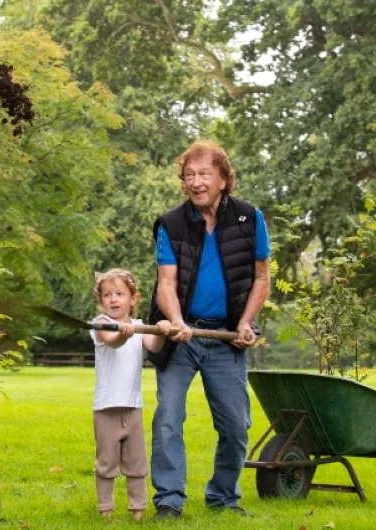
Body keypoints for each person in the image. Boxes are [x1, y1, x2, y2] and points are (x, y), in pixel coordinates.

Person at [146, 140, 270, 519]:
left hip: (226, 339)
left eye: (204, 174)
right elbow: (166, 283)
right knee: (168, 416)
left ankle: (223, 497)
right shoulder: (170, 223)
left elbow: (261, 278)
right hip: (179, 337)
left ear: (223, 179)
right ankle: (169, 499)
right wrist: (177, 322)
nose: (196, 182)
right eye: (189, 175)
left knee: (235, 425)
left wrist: (246, 322)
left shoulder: (251, 219)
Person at [89, 269, 171, 520]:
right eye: (107, 295)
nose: (113, 299)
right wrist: (123, 334)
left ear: (133, 299)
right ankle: (106, 510)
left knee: (136, 463)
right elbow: (112, 341)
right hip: (106, 408)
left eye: (120, 294)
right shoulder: (100, 323)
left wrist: (161, 331)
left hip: (132, 407)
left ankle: (137, 510)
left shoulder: (138, 326)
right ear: (101, 301)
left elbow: (154, 347)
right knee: (106, 464)